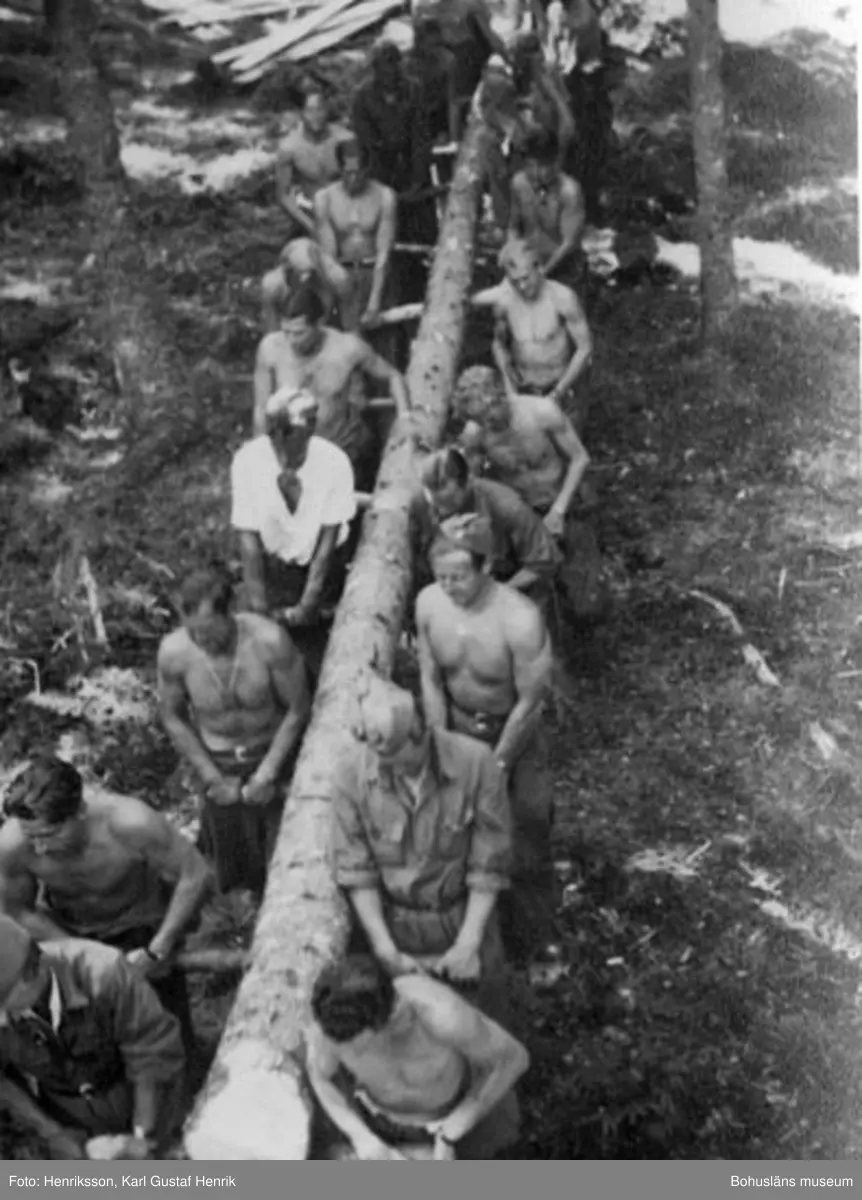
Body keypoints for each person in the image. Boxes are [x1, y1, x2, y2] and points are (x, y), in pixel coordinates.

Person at [415, 513, 556, 961]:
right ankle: (471, 937)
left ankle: (535, 941)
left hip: (511, 733)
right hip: (459, 728)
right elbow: (430, 678)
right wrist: (440, 744)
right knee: (457, 832)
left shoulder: (520, 620)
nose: (449, 586)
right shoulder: (429, 604)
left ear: (487, 566)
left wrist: (497, 765)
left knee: (526, 831)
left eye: (459, 577)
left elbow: (529, 702)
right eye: (441, 577)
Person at [332, 674, 511, 1024]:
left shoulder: (476, 763)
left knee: (482, 1027)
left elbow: (489, 864)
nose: (388, 766)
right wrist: (384, 948)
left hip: (464, 916)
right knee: (399, 1031)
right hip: (392, 922)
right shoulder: (351, 775)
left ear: (422, 733)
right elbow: (357, 871)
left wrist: (468, 944)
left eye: (397, 755)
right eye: (380, 755)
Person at [0, 756, 211, 1044]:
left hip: (141, 925)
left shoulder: (131, 822)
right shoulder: (12, 845)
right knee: (92, 1031)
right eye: (30, 836)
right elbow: (18, 910)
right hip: (69, 928)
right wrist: (81, 954)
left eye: (49, 835)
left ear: (79, 812)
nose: (39, 848)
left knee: (166, 1025)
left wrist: (159, 948)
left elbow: (194, 873)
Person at [157, 565, 311, 898]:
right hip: (218, 760)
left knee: (286, 849)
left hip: (272, 750)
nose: (202, 641)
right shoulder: (174, 654)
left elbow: (298, 708)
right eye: (193, 633)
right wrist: (211, 775)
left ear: (230, 612)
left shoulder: (269, 641)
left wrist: (268, 772)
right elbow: (172, 717)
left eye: (209, 631)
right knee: (231, 865)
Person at [307, 953, 529, 1160]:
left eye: (355, 1042)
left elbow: (513, 1058)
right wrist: (361, 1137)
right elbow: (320, 1077)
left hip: (456, 1114)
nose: (343, 1048)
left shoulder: (441, 1015)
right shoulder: (333, 1024)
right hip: (378, 1121)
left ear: (389, 1018)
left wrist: (456, 1126)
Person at [0, 914, 185, 1159]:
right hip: (67, 1118)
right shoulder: (12, 997)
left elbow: (152, 1054)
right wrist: (68, 1144)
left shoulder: (104, 972)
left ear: (31, 974)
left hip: (140, 1097)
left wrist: (143, 1137)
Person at [453, 364, 606, 626]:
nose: (488, 425)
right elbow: (472, 483)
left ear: (500, 397)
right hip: (522, 511)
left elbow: (580, 459)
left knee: (588, 607)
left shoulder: (541, 412)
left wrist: (558, 511)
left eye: (489, 417)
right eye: (480, 420)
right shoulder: (476, 433)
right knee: (528, 598)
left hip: (564, 499)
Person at [232, 388, 357, 675]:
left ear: (309, 429)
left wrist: (308, 603)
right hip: (274, 569)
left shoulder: (334, 462)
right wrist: (260, 607)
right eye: (274, 433)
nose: (279, 442)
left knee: (319, 663)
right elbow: (248, 542)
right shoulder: (248, 461)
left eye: (289, 434)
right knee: (261, 659)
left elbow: (326, 546)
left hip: (323, 570)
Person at [252, 286, 410, 491]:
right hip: (291, 450)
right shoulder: (270, 348)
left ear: (319, 324)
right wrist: (261, 454)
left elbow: (393, 376)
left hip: (340, 446)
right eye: (286, 332)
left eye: (299, 333)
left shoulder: (347, 348)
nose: (291, 341)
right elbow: (260, 407)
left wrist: (405, 417)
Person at [414, 446, 562, 611]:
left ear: (468, 482)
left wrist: (494, 596)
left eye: (450, 503)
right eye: (436, 505)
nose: (442, 512)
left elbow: (544, 564)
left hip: (518, 592)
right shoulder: (421, 504)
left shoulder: (508, 508)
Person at [472, 237, 593, 433]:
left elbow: (585, 348)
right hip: (525, 387)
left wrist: (558, 392)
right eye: (514, 282)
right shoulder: (505, 302)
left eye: (525, 278)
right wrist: (509, 386)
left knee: (565, 442)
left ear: (539, 269)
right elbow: (499, 344)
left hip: (561, 385)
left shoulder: (563, 298)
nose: (521, 287)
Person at [351, 41, 437, 253]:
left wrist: (417, 179)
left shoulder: (413, 90)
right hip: (381, 167)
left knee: (422, 228)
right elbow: (367, 142)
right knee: (387, 228)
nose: (388, 72)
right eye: (382, 66)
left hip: (412, 164)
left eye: (392, 64)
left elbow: (420, 135)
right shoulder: (363, 97)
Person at [314, 138, 397, 336]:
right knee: (347, 341)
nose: (353, 179)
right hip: (343, 274)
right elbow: (329, 256)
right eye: (348, 173)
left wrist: (375, 300)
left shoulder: (385, 196)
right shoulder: (324, 198)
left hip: (374, 272)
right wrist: (337, 295)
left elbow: (384, 252)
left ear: (367, 170)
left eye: (358, 173)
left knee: (382, 339)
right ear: (340, 169)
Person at [508, 127, 586, 290]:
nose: (536, 173)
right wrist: (513, 255)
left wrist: (541, 274)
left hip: (563, 270)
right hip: (528, 263)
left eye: (542, 166)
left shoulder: (569, 192)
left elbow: (568, 244)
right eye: (530, 165)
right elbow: (514, 226)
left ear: (556, 162)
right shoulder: (519, 183)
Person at [274, 86, 352, 240]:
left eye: (320, 109)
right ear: (301, 113)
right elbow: (284, 195)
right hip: (309, 212)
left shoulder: (346, 140)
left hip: (344, 212)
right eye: (310, 110)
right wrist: (310, 226)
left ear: (327, 111)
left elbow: (358, 180)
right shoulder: (289, 147)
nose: (315, 116)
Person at [260, 237, 350, 334]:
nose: (304, 279)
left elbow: (350, 325)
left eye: (309, 274)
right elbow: (272, 330)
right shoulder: (272, 285)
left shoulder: (339, 279)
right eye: (299, 274)